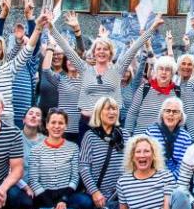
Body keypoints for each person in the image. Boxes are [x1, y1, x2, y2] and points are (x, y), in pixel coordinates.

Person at [49, 10, 162, 139]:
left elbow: (135, 47)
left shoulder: (118, 69)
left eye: (105, 49)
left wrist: (153, 27)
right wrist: (51, 28)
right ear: (94, 52)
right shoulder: (84, 69)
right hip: (87, 124)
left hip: (110, 124)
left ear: (110, 53)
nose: (101, 52)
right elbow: (67, 49)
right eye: (98, 49)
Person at [27, 108, 92, 209]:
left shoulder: (73, 147)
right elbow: (34, 180)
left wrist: (63, 200)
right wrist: (50, 205)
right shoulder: (36, 150)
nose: (57, 126)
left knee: (86, 202)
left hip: (66, 194)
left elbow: (75, 177)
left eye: (61, 123)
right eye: (53, 122)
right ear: (47, 125)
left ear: (66, 126)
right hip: (43, 196)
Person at [125, 54, 194, 138]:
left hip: (169, 143)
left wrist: (193, 141)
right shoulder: (144, 89)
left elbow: (190, 119)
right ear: (156, 71)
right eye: (161, 69)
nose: (164, 72)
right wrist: (127, 138)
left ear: (172, 73)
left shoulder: (179, 92)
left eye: (167, 70)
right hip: (143, 142)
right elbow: (132, 114)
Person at [79, 97, 128, 209]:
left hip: (119, 194)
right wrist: (94, 192)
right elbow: (83, 166)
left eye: (115, 109)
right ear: (99, 112)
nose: (112, 112)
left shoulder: (125, 135)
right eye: (108, 109)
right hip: (96, 193)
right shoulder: (90, 136)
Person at [145, 96, 192, 180]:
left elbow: (183, 166)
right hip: (153, 179)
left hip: (177, 180)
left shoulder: (185, 137)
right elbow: (148, 160)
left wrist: (169, 180)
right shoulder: (151, 133)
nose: (171, 114)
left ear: (181, 116)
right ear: (162, 114)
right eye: (167, 111)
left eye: (175, 111)